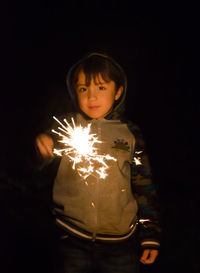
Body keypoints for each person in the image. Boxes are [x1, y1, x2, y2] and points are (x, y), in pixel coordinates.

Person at [36, 52, 161, 273]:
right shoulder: (66, 127)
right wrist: (43, 146)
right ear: (74, 92)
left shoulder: (130, 133)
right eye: (84, 89)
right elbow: (39, 160)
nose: (92, 97)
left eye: (101, 87)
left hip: (120, 243)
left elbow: (144, 185)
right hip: (72, 236)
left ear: (118, 91)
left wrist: (149, 234)